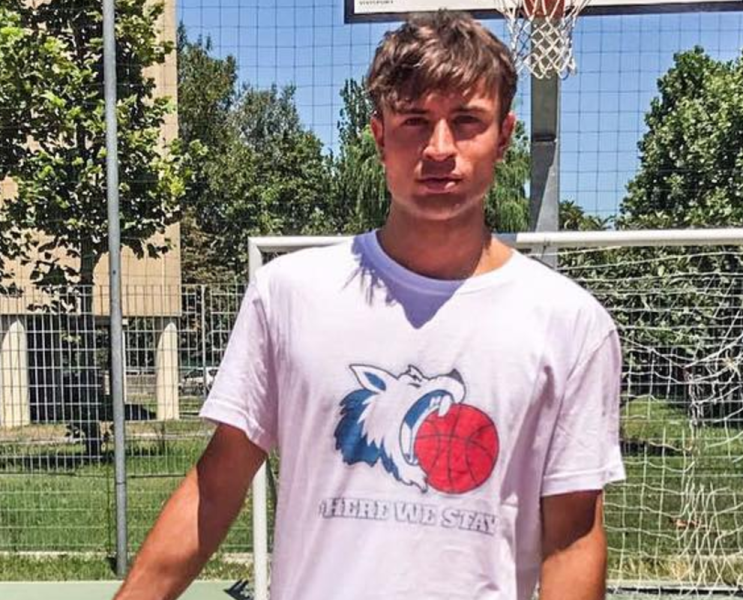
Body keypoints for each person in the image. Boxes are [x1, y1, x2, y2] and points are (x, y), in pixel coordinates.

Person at [114, 11, 624, 600]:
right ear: (380, 135)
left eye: (466, 121)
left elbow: (572, 535)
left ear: (503, 135)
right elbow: (217, 485)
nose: (440, 148)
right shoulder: (291, 293)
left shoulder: (569, 323)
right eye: (414, 121)